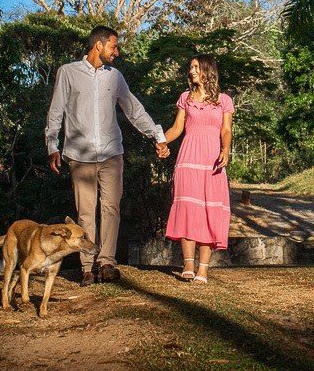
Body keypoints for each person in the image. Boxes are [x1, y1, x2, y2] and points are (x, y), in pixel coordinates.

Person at [46, 25, 170, 286]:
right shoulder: (67, 73)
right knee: (85, 213)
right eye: (114, 46)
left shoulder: (115, 77)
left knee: (112, 209)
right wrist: (52, 146)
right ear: (98, 46)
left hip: (112, 153)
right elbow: (56, 111)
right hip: (79, 157)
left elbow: (134, 110)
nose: (117, 51)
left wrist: (157, 135)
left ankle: (107, 263)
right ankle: (87, 268)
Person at [163, 54, 233, 283]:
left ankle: (203, 269)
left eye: (195, 67)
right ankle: (188, 265)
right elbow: (176, 128)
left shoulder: (224, 100)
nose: (191, 70)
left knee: (208, 212)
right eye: (190, 66)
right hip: (187, 160)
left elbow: (226, 130)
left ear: (207, 70)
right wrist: (161, 141)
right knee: (187, 210)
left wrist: (226, 149)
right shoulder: (185, 98)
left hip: (212, 161)